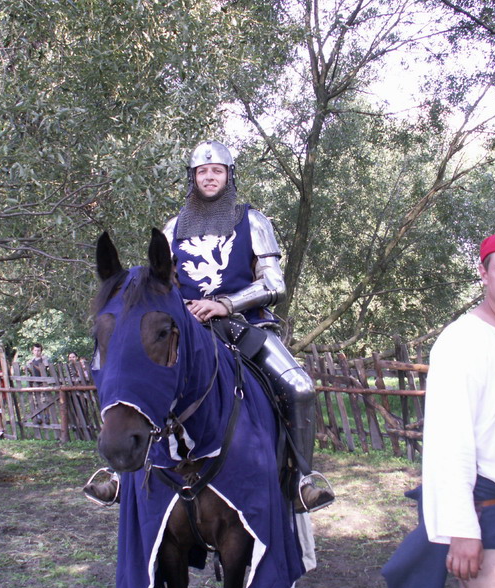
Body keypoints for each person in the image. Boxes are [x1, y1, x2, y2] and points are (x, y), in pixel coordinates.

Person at [86, 140, 334, 513]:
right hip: (187, 330)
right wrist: (180, 308)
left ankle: (301, 480)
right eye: (202, 171)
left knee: (298, 387)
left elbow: (274, 284)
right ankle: (118, 473)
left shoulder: (252, 221)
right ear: (193, 178)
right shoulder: (174, 227)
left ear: (229, 176)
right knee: (132, 376)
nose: (210, 177)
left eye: (217, 170)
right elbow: (160, 283)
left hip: (244, 325)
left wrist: (224, 304)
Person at [382, 229, 495, 588]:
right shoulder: (462, 341)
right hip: (480, 504)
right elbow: (449, 440)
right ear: (484, 273)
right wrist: (462, 529)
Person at [26, 343, 50, 425]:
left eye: (38, 350)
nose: (37, 352)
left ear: (41, 351)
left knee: (44, 400)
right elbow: (31, 372)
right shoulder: (32, 360)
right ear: (33, 351)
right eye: (35, 350)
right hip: (35, 383)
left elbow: (43, 370)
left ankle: (47, 417)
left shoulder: (44, 359)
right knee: (36, 401)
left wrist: (33, 365)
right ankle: (39, 417)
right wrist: (27, 368)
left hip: (42, 383)